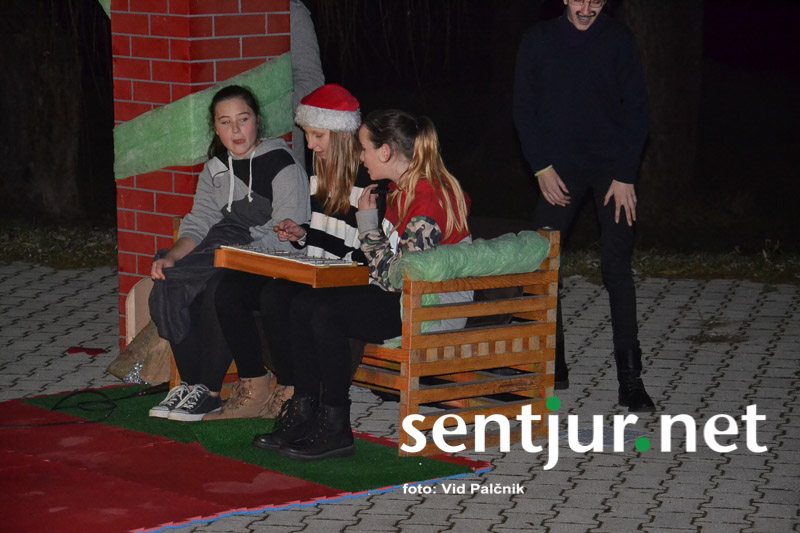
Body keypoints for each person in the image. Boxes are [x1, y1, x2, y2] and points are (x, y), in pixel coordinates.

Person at [252, 109, 472, 462]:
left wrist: (367, 222)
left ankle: (335, 424)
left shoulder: (427, 198)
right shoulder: (401, 189)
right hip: (405, 294)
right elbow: (384, 268)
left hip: (428, 305)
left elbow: (399, 275)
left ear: (385, 152)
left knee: (324, 311)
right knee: (302, 301)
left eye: (364, 148)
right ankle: (305, 409)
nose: (360, 156)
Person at [203, 83, 385, 421]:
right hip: (316, 270)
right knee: (230, 289)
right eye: (308, 135)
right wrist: (301, 234)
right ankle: (254, 384)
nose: (310, 145)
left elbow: (362, 254)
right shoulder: (320, 177)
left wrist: (313, 252)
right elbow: (324, 237)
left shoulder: (369, 181)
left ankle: (290, 387)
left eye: (318, 136)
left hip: (343, 280)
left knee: (276, 295)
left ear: (341, 136)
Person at [512, 0, 654, 412]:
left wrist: (626, 174)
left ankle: (630, 379)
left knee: (616, 267)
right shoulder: (538, 40)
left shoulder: (619, 40)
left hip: (612, 171)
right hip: (559, 170)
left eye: (596, 0)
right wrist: (540, 167)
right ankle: (553, 366)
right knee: (543, 264)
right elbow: (523, 108)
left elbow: (638, 111)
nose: (587, 8)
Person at [147, 85, 310, 421]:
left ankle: (209, 390)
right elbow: (198, 224)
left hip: (268, 258)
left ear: (257, 120)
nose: (236, 130)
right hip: (224, 249)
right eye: (225, 122)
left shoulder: (281, 164)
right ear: (216, 128)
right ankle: (190, 384)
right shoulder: (215, 169)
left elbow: (287, 234)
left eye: (243, 119)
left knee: (216, 287)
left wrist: (237, 254)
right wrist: (173, 257)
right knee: (170, 279)